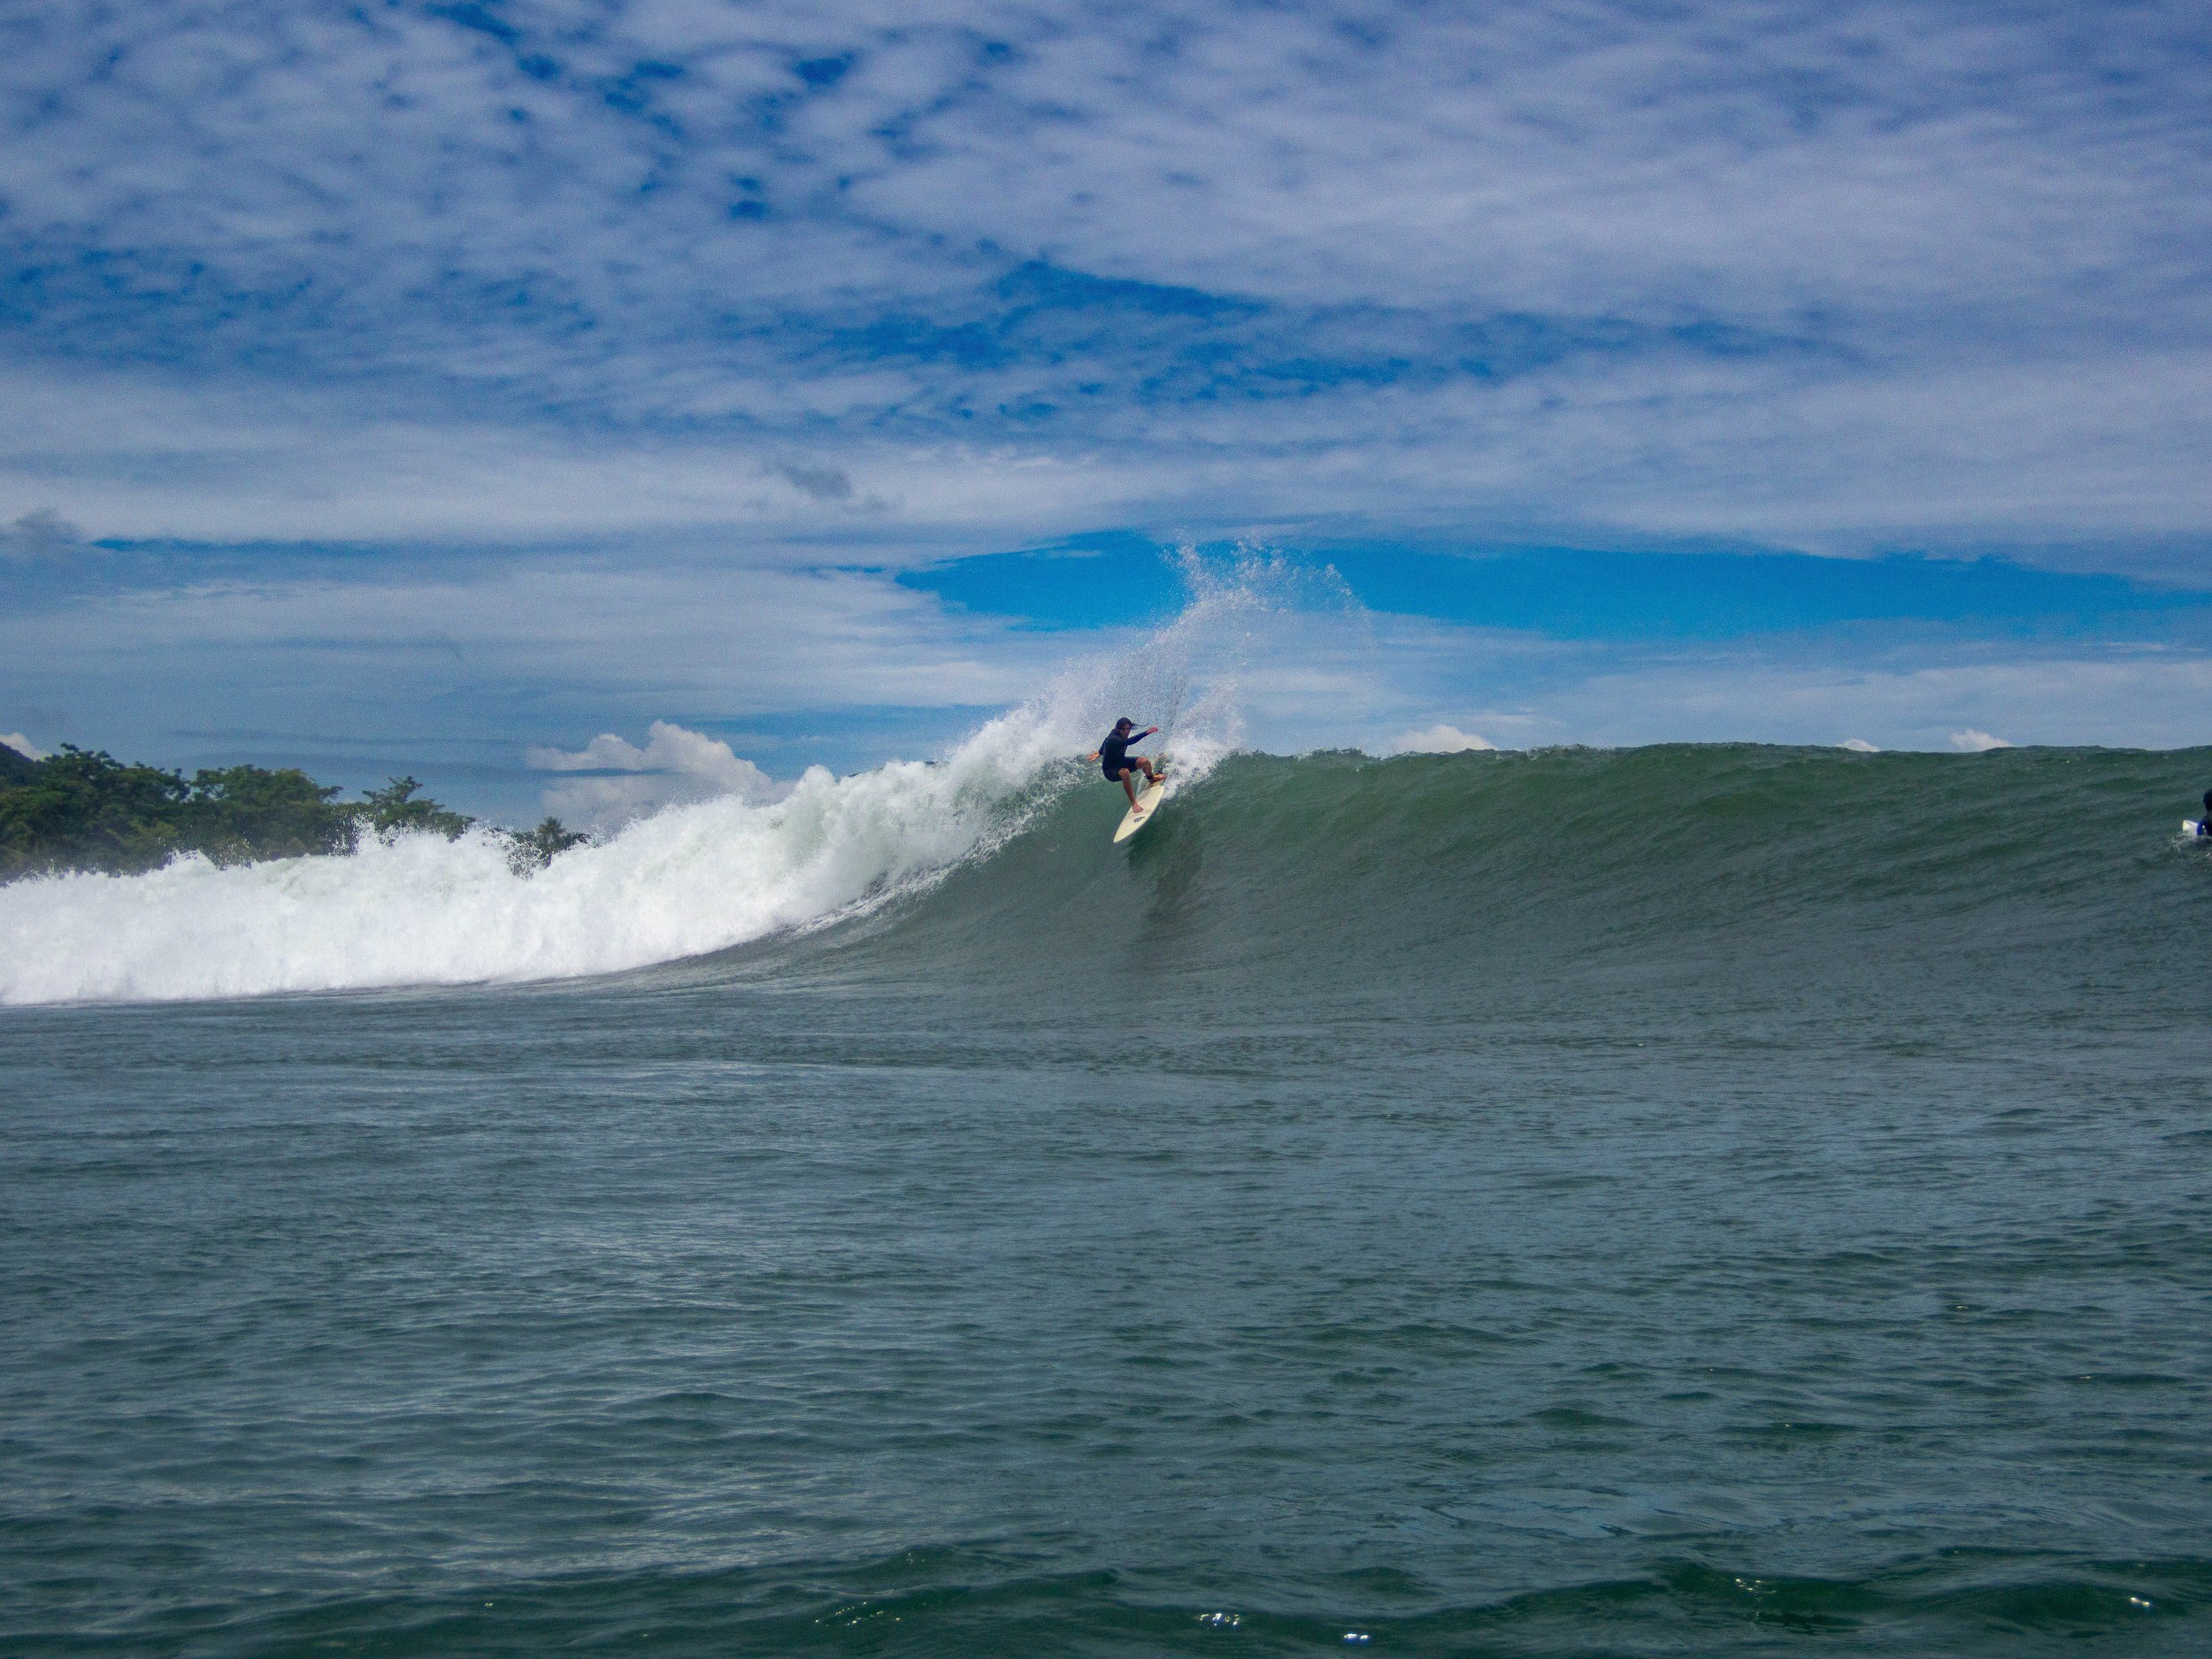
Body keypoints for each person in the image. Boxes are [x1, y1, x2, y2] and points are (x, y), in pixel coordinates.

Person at [1087, 717, 1164, 810]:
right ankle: (1134, 803)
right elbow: (1129, 741)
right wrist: (1146, 732)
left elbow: (1105, 739)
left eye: (1128, 729)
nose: (1126, 732)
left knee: (1145, 761)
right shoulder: (1115, 739)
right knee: (1125, 772)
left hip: (1121, 761)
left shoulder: (1113, 734)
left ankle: (1151, 779)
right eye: (1123, 729)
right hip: (1110, 770)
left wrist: (1099, 752)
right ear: (1118, 729)